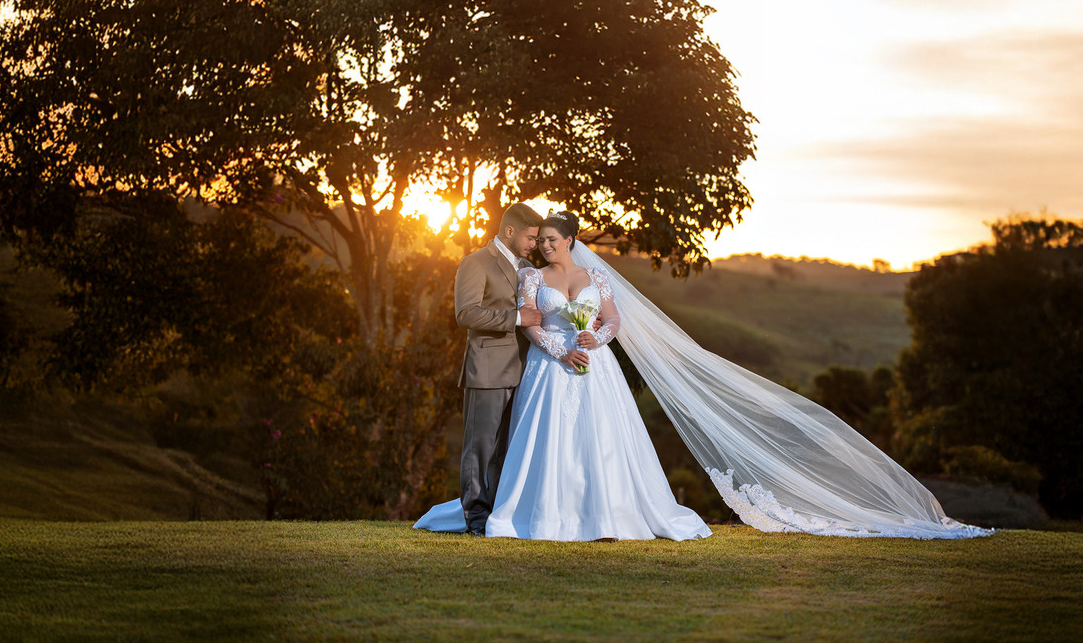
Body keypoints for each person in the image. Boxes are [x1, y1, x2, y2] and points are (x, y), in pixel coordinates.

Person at [418, 208, 991, 541]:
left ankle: (603, 512)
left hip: (591, 367)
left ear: (570, 241)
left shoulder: (590, 277)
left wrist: (598, 337)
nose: (541, 245)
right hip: (545, 365)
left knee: (601, 446)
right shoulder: (525, 276)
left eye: (549, 239)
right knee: (528, 445)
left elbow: (612, 317)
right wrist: (557, 345)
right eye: (536, 239)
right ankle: (517, 514)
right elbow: (526, 322)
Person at [452, 202, 544, 535]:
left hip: (523, 373)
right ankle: (475, 518)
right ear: (509, 231)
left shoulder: (529, 268)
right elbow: (466, 314)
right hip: (487, 370)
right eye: (530, 237)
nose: (535, 244)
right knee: (479, 449)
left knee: (505, 451)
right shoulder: (475, 263)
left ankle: (497, 516)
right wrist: (517, 319)